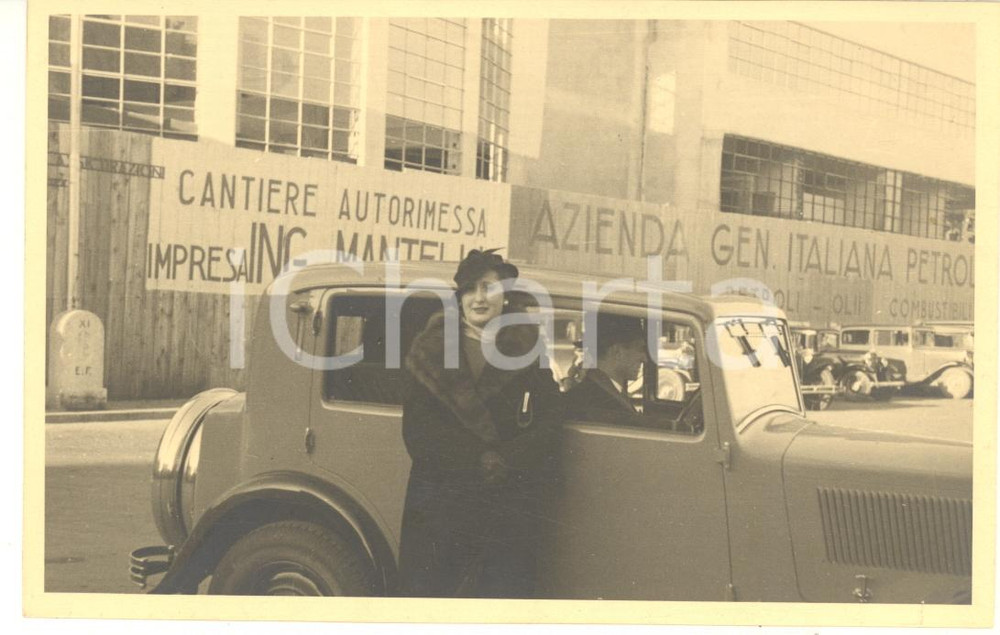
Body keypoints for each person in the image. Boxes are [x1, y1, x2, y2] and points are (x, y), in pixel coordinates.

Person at [397, 249, 563, 598]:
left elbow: (549, 421)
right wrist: (478, 460)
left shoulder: (529, 347)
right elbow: (418, 432)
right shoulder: (429, 349)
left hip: (505, 505)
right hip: (442, 505)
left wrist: (507, 461)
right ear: (459, 298)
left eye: (489, 287)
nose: (479, 297)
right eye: (470, 289)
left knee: (499, 602)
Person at [566, 314, 647, 424]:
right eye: (639, 349)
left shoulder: (600, 392)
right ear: (617, 352)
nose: (644, 359)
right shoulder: (598, 405)